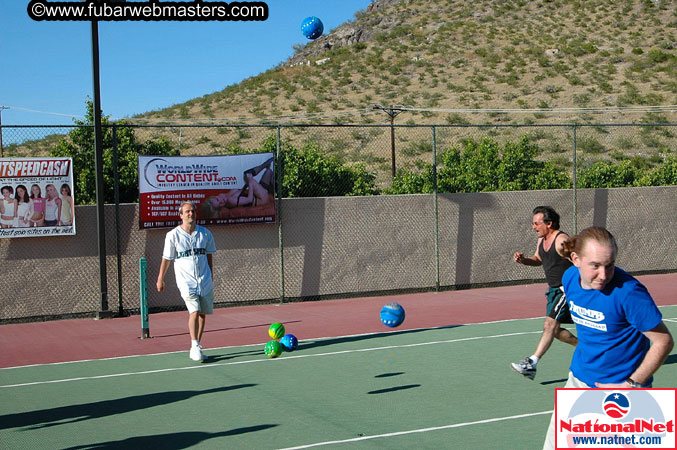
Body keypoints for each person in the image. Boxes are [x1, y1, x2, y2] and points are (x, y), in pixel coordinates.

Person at [542, 226, 673, 449]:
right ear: (575, 259)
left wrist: (632, 384)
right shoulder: (570, 279)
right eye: (595, 266)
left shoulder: (629, 292)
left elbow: (664, 341)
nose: (603, 275)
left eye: (609, 265)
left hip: (624, 393)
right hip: (579, 381)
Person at [511, 206, 578, 380]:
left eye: (536, 223)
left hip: (567, 290)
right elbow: (539, 259)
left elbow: (579, 259)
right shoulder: (542, 239)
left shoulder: (561, 240)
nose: (533, 227)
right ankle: (587, 348)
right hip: (554, 291)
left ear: (549, 224)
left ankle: (531, 363)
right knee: (555, 331)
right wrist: (524, 260)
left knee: (549, 325)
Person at [156, 201, 217, 362]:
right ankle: (194, 344)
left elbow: (209, 255)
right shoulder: (173, 235)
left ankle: (197, 345)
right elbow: (166, 258)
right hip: (186, 281)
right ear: (181, 215)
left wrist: (211, 274)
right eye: (187, 211)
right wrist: (160, 278)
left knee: (203, 314)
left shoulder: (205, 234)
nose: (191, 214)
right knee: (194, 311)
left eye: (193, 211)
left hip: (204, 279)